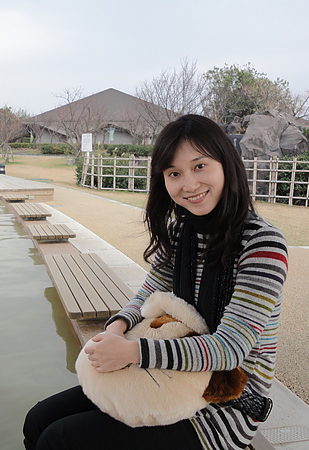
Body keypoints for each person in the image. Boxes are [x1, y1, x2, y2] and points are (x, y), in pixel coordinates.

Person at [23, 114, 288, 450]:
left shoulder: (262, 245)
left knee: (59, 440)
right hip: (168, 376)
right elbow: (148, 293)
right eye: (174, 173)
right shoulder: (180, 233)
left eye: (200, 166)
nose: (189, 184)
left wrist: (134, 352)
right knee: (39, 419)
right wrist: (118, 326)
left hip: (222, 405)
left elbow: (231, 348)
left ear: (226, 164)